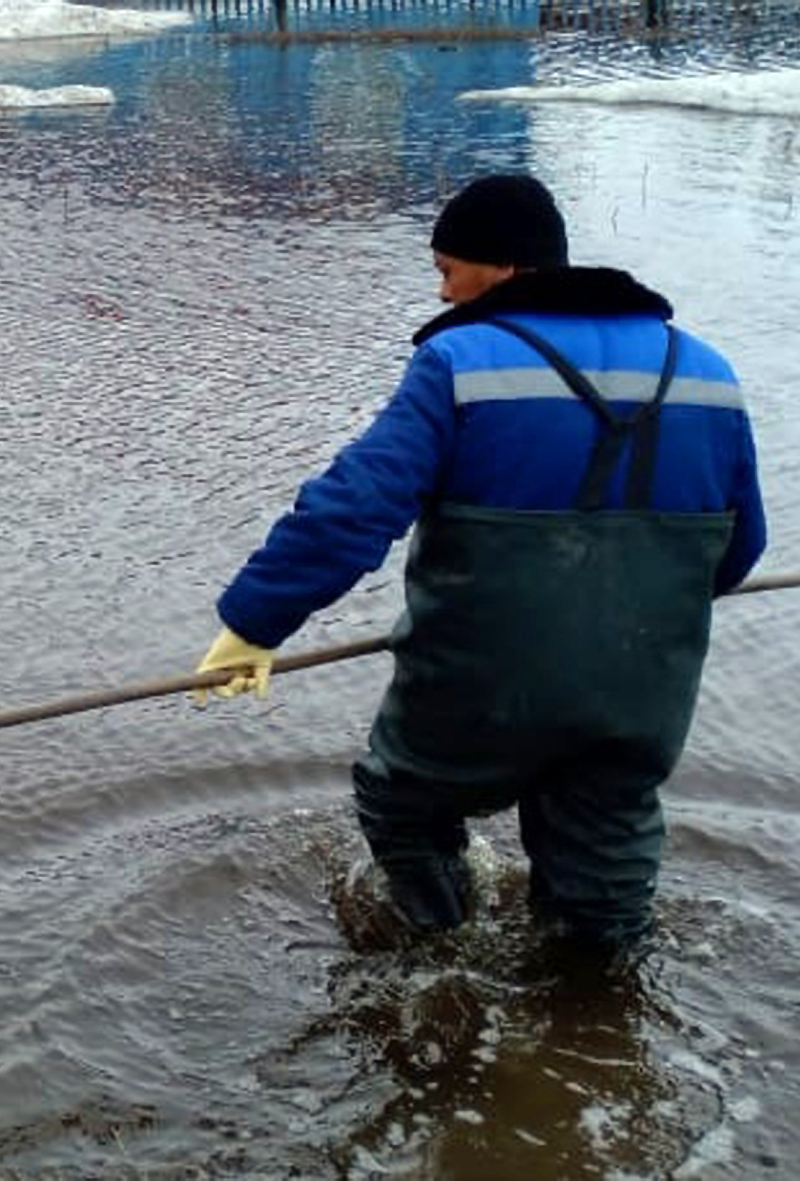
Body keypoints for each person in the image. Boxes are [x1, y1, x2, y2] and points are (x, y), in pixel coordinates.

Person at [193, 174, 766, 950]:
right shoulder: (709, 372)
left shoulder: (461, 361)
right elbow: (739, 552)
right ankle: (596, 1017)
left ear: (502, 269)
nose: (442, 291)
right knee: (606, 887)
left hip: (482, 687)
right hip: (639, 701)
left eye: (447, 269)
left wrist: (253, 623)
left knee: (404, 804)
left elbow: (355, 506)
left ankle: (439, 962)